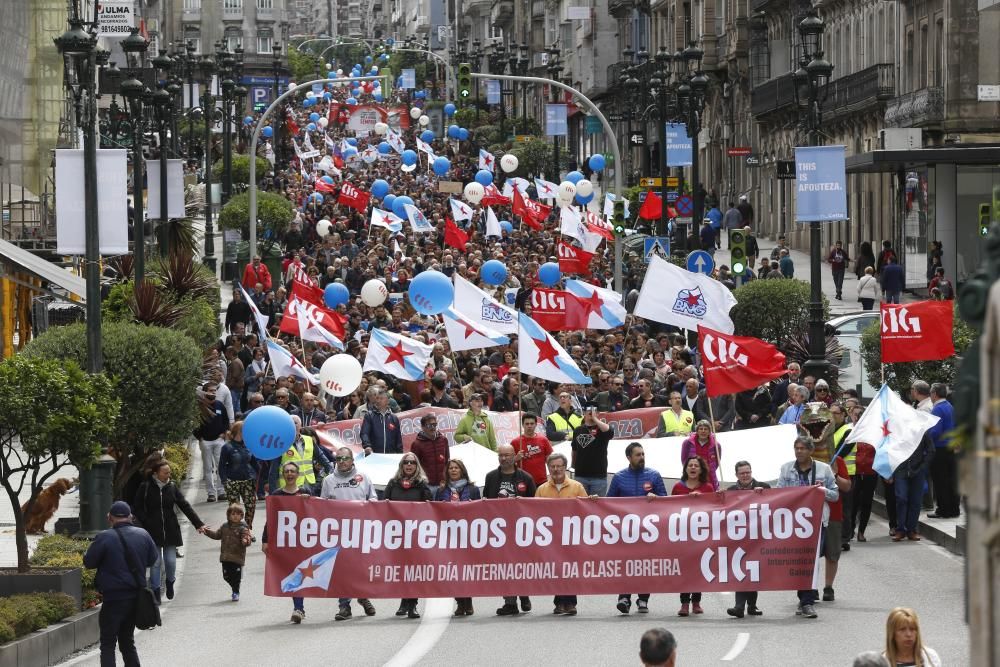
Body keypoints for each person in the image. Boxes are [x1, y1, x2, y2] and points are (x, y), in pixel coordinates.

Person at [83, 501, 159, 667]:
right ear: (130, 517)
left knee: (108, 644)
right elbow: (153, 559)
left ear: (109, 517)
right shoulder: (143, 534)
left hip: (113, 599)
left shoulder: (104, 537)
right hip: (135, 598)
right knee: (127, 642)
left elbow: (89, 562)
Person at [775, 436, 839, 619]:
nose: (799, 451)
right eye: (797, 448)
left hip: (817, 522)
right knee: (800, 561)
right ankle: (805, 598)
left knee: (810, 560)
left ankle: (807, 601)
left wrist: (822, 491)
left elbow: (835, 495)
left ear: (810, 450)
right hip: (794, 524)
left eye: (803, 448)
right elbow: (779, 493)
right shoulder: (786, 468)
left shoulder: (824, 469)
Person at [131, 460, 206, 603]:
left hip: (171, 530)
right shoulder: (145, 487)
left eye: (169, 472)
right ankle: (156, 591)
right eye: (165, 472)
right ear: (155, 474)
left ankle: (170, 581)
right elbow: (137, 507)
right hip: (152, 531)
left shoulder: (171, 487)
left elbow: (184, 505)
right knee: (156, 563)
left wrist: (198, 524)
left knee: (171, 561)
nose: (168, 475)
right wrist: (146, 521)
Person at [319, 447, 378, 621]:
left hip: (360, 531)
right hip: (338, 533)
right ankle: (344, 606)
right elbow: (322, 506)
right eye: (339, 459)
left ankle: (363, 596)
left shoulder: (364, 477)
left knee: (360, 568)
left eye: (345, 458)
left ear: (352, 460)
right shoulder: (328, 480)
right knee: (342, 570)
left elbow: (373, 499)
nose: (342, 461)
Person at [608, 443, 667, 614]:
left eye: (643, 454)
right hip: (625, 531)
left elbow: (665, 500)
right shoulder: (619, 477)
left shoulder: (654, 475)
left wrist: (656, 497)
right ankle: (624, 598)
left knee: (645, 565)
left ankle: (643, 599)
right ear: (629, 457)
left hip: (648, 531)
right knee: (626, 565)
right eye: (637, 455)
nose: (641, 457)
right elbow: (609, 502)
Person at [535, 452, 592, 615]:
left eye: (559, 466)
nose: (556, 469)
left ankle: (571, 602)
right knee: (555, 569)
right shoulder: (541, 489)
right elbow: (533, 511)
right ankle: (559, 602)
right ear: (548, 468)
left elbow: (586, 509)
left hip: (571, 535)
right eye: (552, 466)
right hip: (551, 536)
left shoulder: (577, 486)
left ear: (565, 467)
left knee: (570, 569)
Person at [484, 444, 536, 616]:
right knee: (505, 567)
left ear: (515, 456)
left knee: (521, 566)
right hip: (499, 532)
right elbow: (485, 502)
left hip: (521, 531)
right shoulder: (491, 477)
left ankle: (524, 594)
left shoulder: (526, 478)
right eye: (501, 455)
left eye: (507, 455)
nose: (504, 458)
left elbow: (535, 505)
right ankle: (510, 602)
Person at [261, 461, 313, 623]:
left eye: (293, 471)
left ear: (298, 475)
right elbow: (271, 519)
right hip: (285, 543)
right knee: (293, 573)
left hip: (302, 541)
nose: (290, 474)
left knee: (300, 572)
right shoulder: (277, 495)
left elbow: (316, 512)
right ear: (283, 475)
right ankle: (299, 607)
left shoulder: (305, 492)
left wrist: (309, 499)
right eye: (287, 471)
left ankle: (299, 608)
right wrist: (265, 540)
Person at [384, 454, 434, 619]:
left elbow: (429, 507)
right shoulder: (392, 484)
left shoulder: (422, 485)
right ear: (402, 465)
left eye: (413, 462)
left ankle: (413, 605)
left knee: (414, 570)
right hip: (397, 535)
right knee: (401, 570)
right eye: (406, 462)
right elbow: (382, 506)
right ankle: (403, 602)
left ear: (417, 465)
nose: (409, 465)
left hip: (415, 535)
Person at [435, 459, 482, 616]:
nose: (453, 470)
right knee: (453, 570)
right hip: (448, 535)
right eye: (451, 468)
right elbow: (434, 510)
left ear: (462, 470)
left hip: (468, 534)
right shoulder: (441, 490)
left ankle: (468, 601)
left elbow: (480, 510)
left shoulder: (473, 489)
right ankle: (459, 601)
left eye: (456, 468)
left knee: (466, 569)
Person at [670, 456, 714, 616]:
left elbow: (714, 507)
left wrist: (701, 498)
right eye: (690, 465)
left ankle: (696, 601)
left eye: (696, 465)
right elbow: (669, 508)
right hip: (682, 534)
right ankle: (684, 603)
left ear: (701, 469)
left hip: (701, 534)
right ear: (686, 469)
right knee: (685, 569)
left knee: (698, 568)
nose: (693, 468)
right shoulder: (677, 487)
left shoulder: (707, 487)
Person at [726, 461, 769, 618]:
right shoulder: (730, 491)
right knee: (741, 569)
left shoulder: (763, 487)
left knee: (753, 570)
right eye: (742, 473)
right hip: (738, 538)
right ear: (736, 475)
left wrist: (763, 494)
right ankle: (740, 606)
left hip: (758, 537)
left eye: (747, 472)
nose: (745, 475)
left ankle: (751, 605)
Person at [266, 415, 334, 493]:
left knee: (309, 505)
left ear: (300, 426)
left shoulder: (309, 440)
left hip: (309, 484)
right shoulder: (280, 444)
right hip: (289, 486)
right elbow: (273, 471)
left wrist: (330, 476)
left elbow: (323, 460)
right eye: (290, 423)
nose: (292, 425)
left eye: (295, 423)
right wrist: (273, 495)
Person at [202, 503, 253, 602]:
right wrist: (206, 532)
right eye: (233, 514)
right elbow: (217, 535)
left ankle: (235, 592)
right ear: (228, 516)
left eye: (238, 514)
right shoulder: (224, 527)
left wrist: (246, 541)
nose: (235, 516)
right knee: (226, 576)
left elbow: (247, 537)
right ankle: (234, 587)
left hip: (237, 557)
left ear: (242, 516)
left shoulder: (243, 528)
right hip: (225, 556)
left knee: (236, 577)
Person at [194, 381, 230, 503]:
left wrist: (223, 434)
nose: (213, 393)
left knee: (221, 466)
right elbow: (194, 424)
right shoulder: (199, 407)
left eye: (215, 391)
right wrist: (200, 438)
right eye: (210, 391)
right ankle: (210, 493)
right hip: (206, 442)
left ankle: (221, 491)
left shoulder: (220, 405)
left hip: (218, 440)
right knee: (208, 468)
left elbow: (226, 421)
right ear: (205, 392)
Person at [218, 420, 258, 529]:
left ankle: (247, 529)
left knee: (251, 507)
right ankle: (236, 530)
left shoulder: (249, 446)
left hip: (248, 481)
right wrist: (225, 481)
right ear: (238, 432)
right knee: (235, 510)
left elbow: (255, 464)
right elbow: (221, 466)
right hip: (232, 482)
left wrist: (261, 479)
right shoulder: (227, 447)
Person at [927, 383, 959, 518]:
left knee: (940, 481)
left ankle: (943, 510)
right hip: (951, 448)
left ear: (934, 394)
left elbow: (935, 431)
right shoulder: (950, 407)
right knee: (951, 480)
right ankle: (954, 509)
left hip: (940, 448)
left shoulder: (937, 409)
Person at [570, 406, 614, 496]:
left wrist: (595, 419)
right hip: (580, 475)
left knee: (598, 507)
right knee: (581, 506)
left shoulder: (602, 429)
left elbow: (610, 432)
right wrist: (573, 465)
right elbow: (574, 450)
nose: (591, 412)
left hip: (599, 476)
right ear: (584, 413)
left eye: (594, 411)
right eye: (588, 410)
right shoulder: (578, 430)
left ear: (597, 413)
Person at [510, 412, 553, 486]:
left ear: (536, 424)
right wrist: (516, 458)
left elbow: (550, 461)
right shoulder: (515, 442)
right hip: (523, 482)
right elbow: (507, 463)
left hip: (542, 481)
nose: (529, 426)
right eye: (527, 424)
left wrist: (552, 478)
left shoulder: (544, 440)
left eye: (532, 423)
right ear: (522, 425)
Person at [410, 413, 450, 486]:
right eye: (429, 425)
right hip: (427, 485)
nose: (432, 427)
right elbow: (414, 465)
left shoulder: (443, 440)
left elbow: (447, 460)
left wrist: (446, 478)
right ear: (422, 427)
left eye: (434, 424)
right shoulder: (416, 444)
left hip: (443, 484)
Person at [680, 420, 721, 490]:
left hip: (709, 477)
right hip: (692, 476)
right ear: (697, 431)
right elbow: (684, 461)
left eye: (706, 429)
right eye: (701, 429)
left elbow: (717, 463)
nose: (703, 431)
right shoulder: (687, 443)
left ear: (709, 432)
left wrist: (707, 470)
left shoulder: (716, 445)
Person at [360, 389, 403, 454]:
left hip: (391, 456)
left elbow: (398, 439)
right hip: (374, 455)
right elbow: (364, 433)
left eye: (381, 398)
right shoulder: (369, 415)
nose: (378, 400)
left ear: (388, 401)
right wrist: (367, 446)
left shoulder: (394, 418)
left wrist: (400, 454)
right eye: (377, 398)